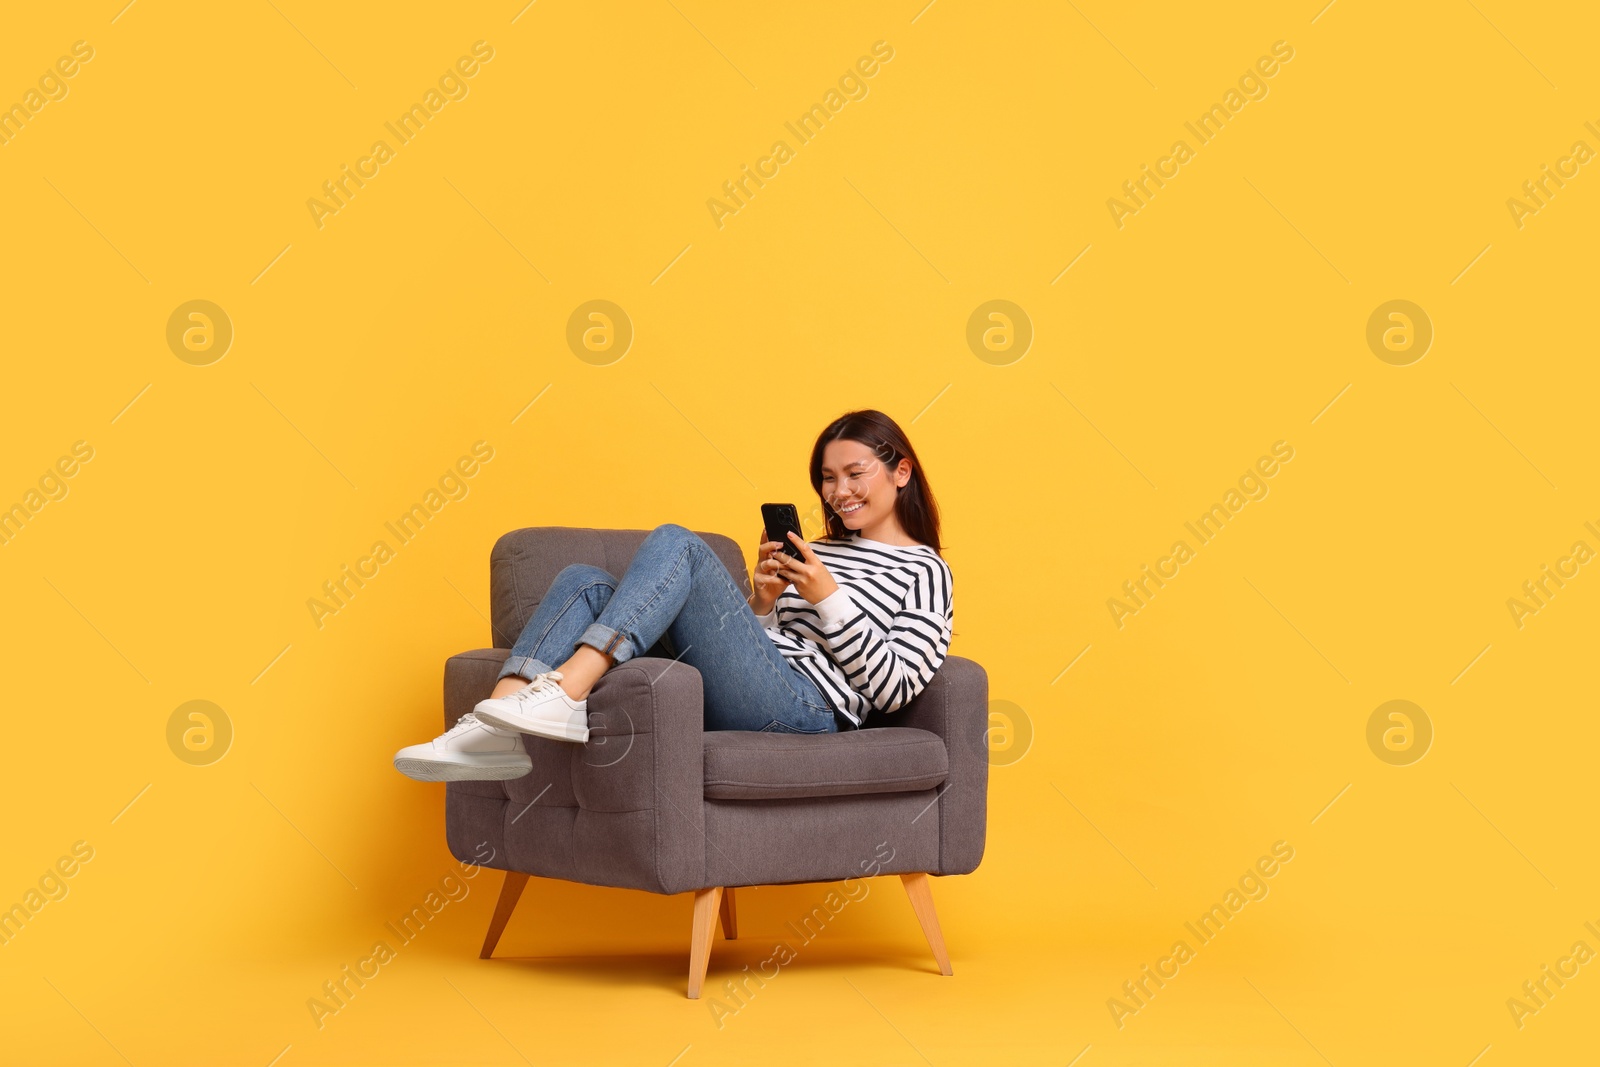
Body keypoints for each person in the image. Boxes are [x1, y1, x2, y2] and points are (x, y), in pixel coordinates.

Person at [392, 408, 954, 782]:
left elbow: (895, 692)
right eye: (828, 479)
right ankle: (494, 733)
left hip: (807, 710)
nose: (839, 493)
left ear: (900, 471)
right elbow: (767, 647)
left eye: (855, 474)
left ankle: (566, 692)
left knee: (678, 545)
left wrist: (830, 600)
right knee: (582, 580)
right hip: (746, 685)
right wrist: (759, 604)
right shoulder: (818, 552)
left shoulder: (926, 571)